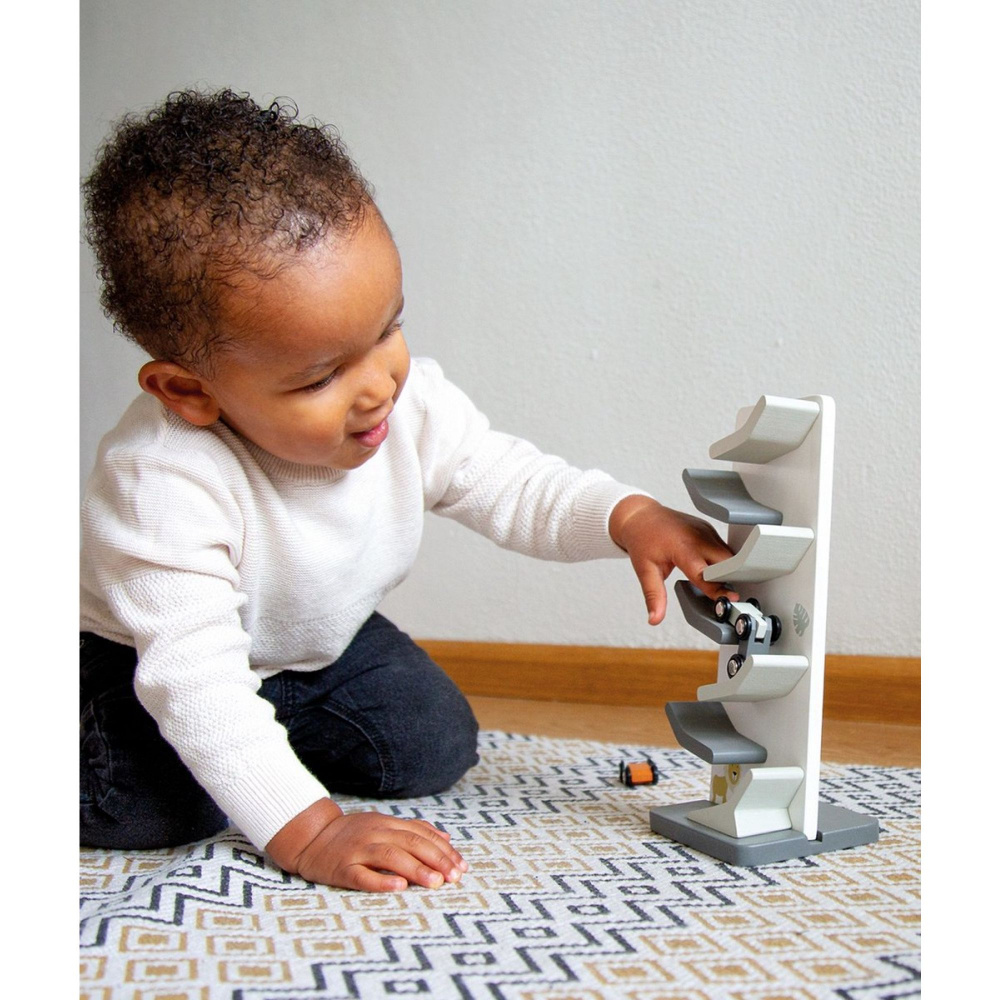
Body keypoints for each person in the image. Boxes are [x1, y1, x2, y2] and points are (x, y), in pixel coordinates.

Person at [80, 89, 737, 893]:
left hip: (312, 649)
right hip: (142, 665)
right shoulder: (160, 480)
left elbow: (511, 483)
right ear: (189, 391)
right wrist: (311, 830)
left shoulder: (407, 404)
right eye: (321, 377)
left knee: (430, 744)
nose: (379, 386)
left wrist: (626, 516)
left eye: (388, 328)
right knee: (155, 808)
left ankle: (265, 754)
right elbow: (197, 683)